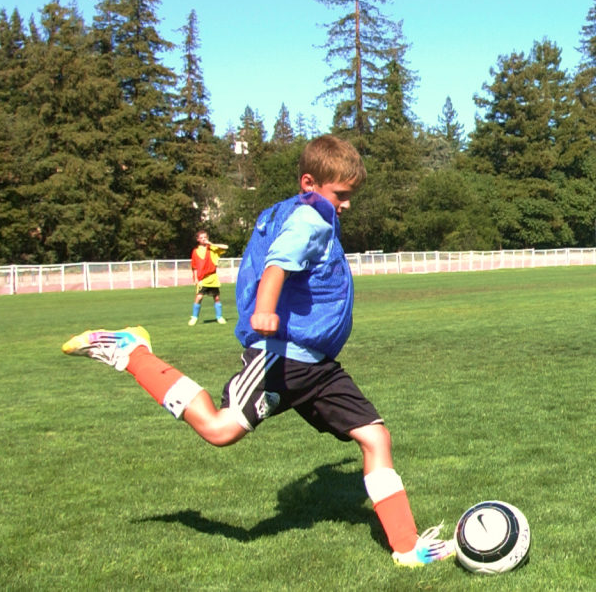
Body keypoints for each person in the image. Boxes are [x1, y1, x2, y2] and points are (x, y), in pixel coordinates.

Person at [62, 135, 453, 568]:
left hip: (317, 367)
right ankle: (132, 352)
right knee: (218, 430)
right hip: (279, 358)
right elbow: (277, 264)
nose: (346, 205)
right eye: (341, 195)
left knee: (375, 436)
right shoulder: (309, 219)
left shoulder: (310, 211)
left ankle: (406, 548)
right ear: (310, 183)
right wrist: (264, 311)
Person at [189, 230, 230, 325]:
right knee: (199, 297)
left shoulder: (212, 248)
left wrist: (211, 244)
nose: (204, 239)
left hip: (213, 277)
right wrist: (195, 278)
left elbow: (226, 247)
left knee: (216, 298)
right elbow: (194, 266)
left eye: (205, 237)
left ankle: (219, 317)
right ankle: (194, 317)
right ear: (198, 239)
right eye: (201, 238)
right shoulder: (195, 251)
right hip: (202, 279)